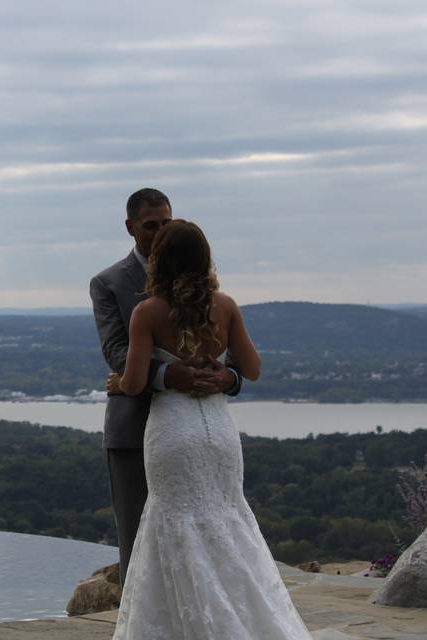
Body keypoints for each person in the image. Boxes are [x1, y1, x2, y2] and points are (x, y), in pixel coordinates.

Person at [108, 219, 312, 638]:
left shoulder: (147, 311)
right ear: (205, 258)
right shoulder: (226, 306)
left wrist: (118, 383)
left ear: (159, 259)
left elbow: (132, 382)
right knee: (228, 516)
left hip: (172, 430)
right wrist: (224, 375)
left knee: (174, 519)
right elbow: (251, 369)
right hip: (218, 430)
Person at [89, 188, 241, 586]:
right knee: (140, 545)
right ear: (130, 228)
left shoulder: (207, 288)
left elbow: (238, 360)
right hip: (136, 427)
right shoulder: (109, 282)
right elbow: (115, 351)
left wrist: (226, 378)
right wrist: (167, 376)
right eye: (149, 225)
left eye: (165, 224)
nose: (158, 233)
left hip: (200, 429)